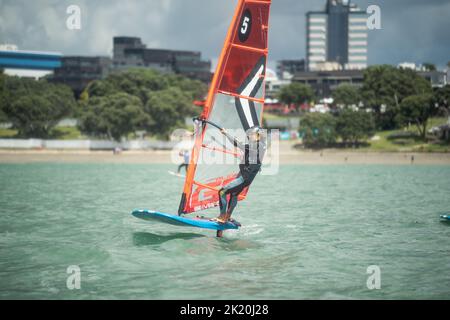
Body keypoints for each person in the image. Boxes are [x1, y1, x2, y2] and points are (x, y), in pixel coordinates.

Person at [214, 126, 266, 237]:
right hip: (245, 178)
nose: (249, 136)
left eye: (252, 134)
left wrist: (225, 133)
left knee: (222, 192)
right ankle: (227, 217)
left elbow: (238, 145)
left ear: (258, 136)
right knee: (234, 194)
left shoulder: (257, 145)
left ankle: (223, 216)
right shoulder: (260, 146)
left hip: (243, 178)